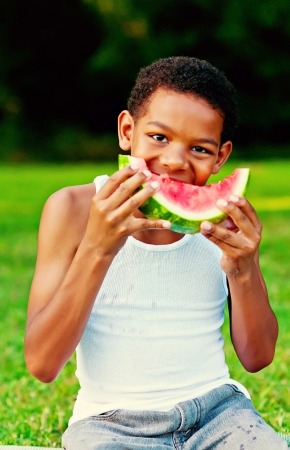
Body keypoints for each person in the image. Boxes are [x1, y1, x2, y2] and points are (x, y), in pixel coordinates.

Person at [25, 57, 287, 449]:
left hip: (220, 414)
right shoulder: (71, 210)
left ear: (221, 157)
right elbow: (43, 364)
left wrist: (244, 267)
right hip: (108, 425)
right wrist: (98, 248)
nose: (174, 161)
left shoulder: (223, 223)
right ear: (127, 130)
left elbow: (257, 357)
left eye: (199, 148)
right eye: (159, 138)